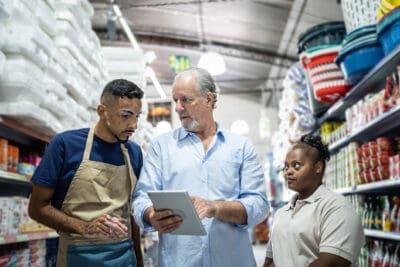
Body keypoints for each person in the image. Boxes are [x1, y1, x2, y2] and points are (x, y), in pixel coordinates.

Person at [133, 67, 270, 267]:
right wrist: (150, 214)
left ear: (208, 99)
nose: (178, 108)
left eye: (185, 100)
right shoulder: (161, 147)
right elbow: (140, 197)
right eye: (175, 101)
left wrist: (215, 207)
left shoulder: (240, 147)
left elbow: (259, 204)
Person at [28, 79, 145, 267]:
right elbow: (37, 208)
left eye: (137, 116)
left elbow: (132, 213)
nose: (134, 124)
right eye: (126, 115)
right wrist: (84, 227)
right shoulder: (66, 144)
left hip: (124, 256)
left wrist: (140, 260)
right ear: (102, 111)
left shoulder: (134, 153)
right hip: (78, 255)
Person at [263, 134, 364, 267]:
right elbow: (271, 261)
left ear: (318, 167)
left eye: (296, 166)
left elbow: (330, 263)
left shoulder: (337, 209)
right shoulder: (281, 214)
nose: (288, 172)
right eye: (286, 167)